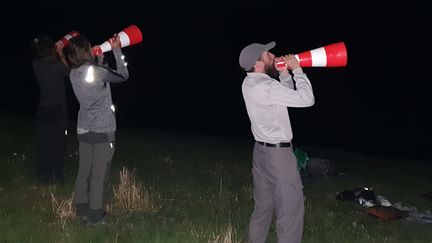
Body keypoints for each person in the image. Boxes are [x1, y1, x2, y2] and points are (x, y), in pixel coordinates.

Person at [239, 41, 315, 243]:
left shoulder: (249, 83)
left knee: (262, 208)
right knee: (290, 212)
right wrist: (297, 70)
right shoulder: (267, 87)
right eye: (268, 54)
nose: (273, 56)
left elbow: (286, 97)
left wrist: (283, 74)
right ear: (258, 63)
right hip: (278, 157)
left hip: (261, 154)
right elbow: (306, 99)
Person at [65, 34, 129, 225]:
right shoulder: (97, 72)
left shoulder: (73, 73)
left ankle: (81, 209)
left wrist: (100, 58)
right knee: (99, 175)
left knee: (84, 170)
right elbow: (123, 75)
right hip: (103, 130)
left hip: (84, 129)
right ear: (85, 51)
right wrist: (117, 50)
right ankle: (96, 216)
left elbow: (96, 77)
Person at [31, 34, 69, 184]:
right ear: (51, 49)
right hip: (58, 111)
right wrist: (61, 54)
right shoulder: (57, 66)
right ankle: (58, 177)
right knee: (58, 145)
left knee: (43, 145)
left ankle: (43, 176)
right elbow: (68, 71)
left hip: (43, 110)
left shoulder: (35, 64)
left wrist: (54, 52)